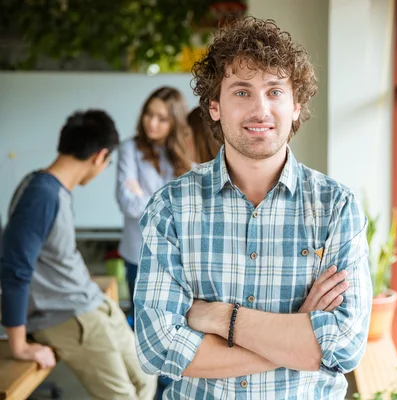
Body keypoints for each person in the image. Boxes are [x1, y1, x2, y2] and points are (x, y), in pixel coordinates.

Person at [135, 17, 372, 399]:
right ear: (214, 106)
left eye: (275, 91)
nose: (260, 110)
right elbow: (157, 347)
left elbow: (344, 345)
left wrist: (219, 318)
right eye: (241, 92)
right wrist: (296, 335)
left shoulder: (336, 208)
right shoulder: (171, 208)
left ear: (296, 106)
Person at [0, 110, 156, 400]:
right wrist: (19, 346)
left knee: (147, 379)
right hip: (67, 316)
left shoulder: (53, 189)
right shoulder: (41, 195)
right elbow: (14, 271)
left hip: (91, 303)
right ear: (99, 157)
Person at [116, 86, 191, 319]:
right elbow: (127, 203)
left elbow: (189, 208)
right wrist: (168, 204)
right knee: (141, 320)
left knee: (172, 320)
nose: (152, 123)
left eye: (162, 119)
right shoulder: (129, 149)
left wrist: (144, 198)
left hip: (177, 256)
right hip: (137, 252)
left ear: (175, 122)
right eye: (149, 114)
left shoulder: (186, 153)